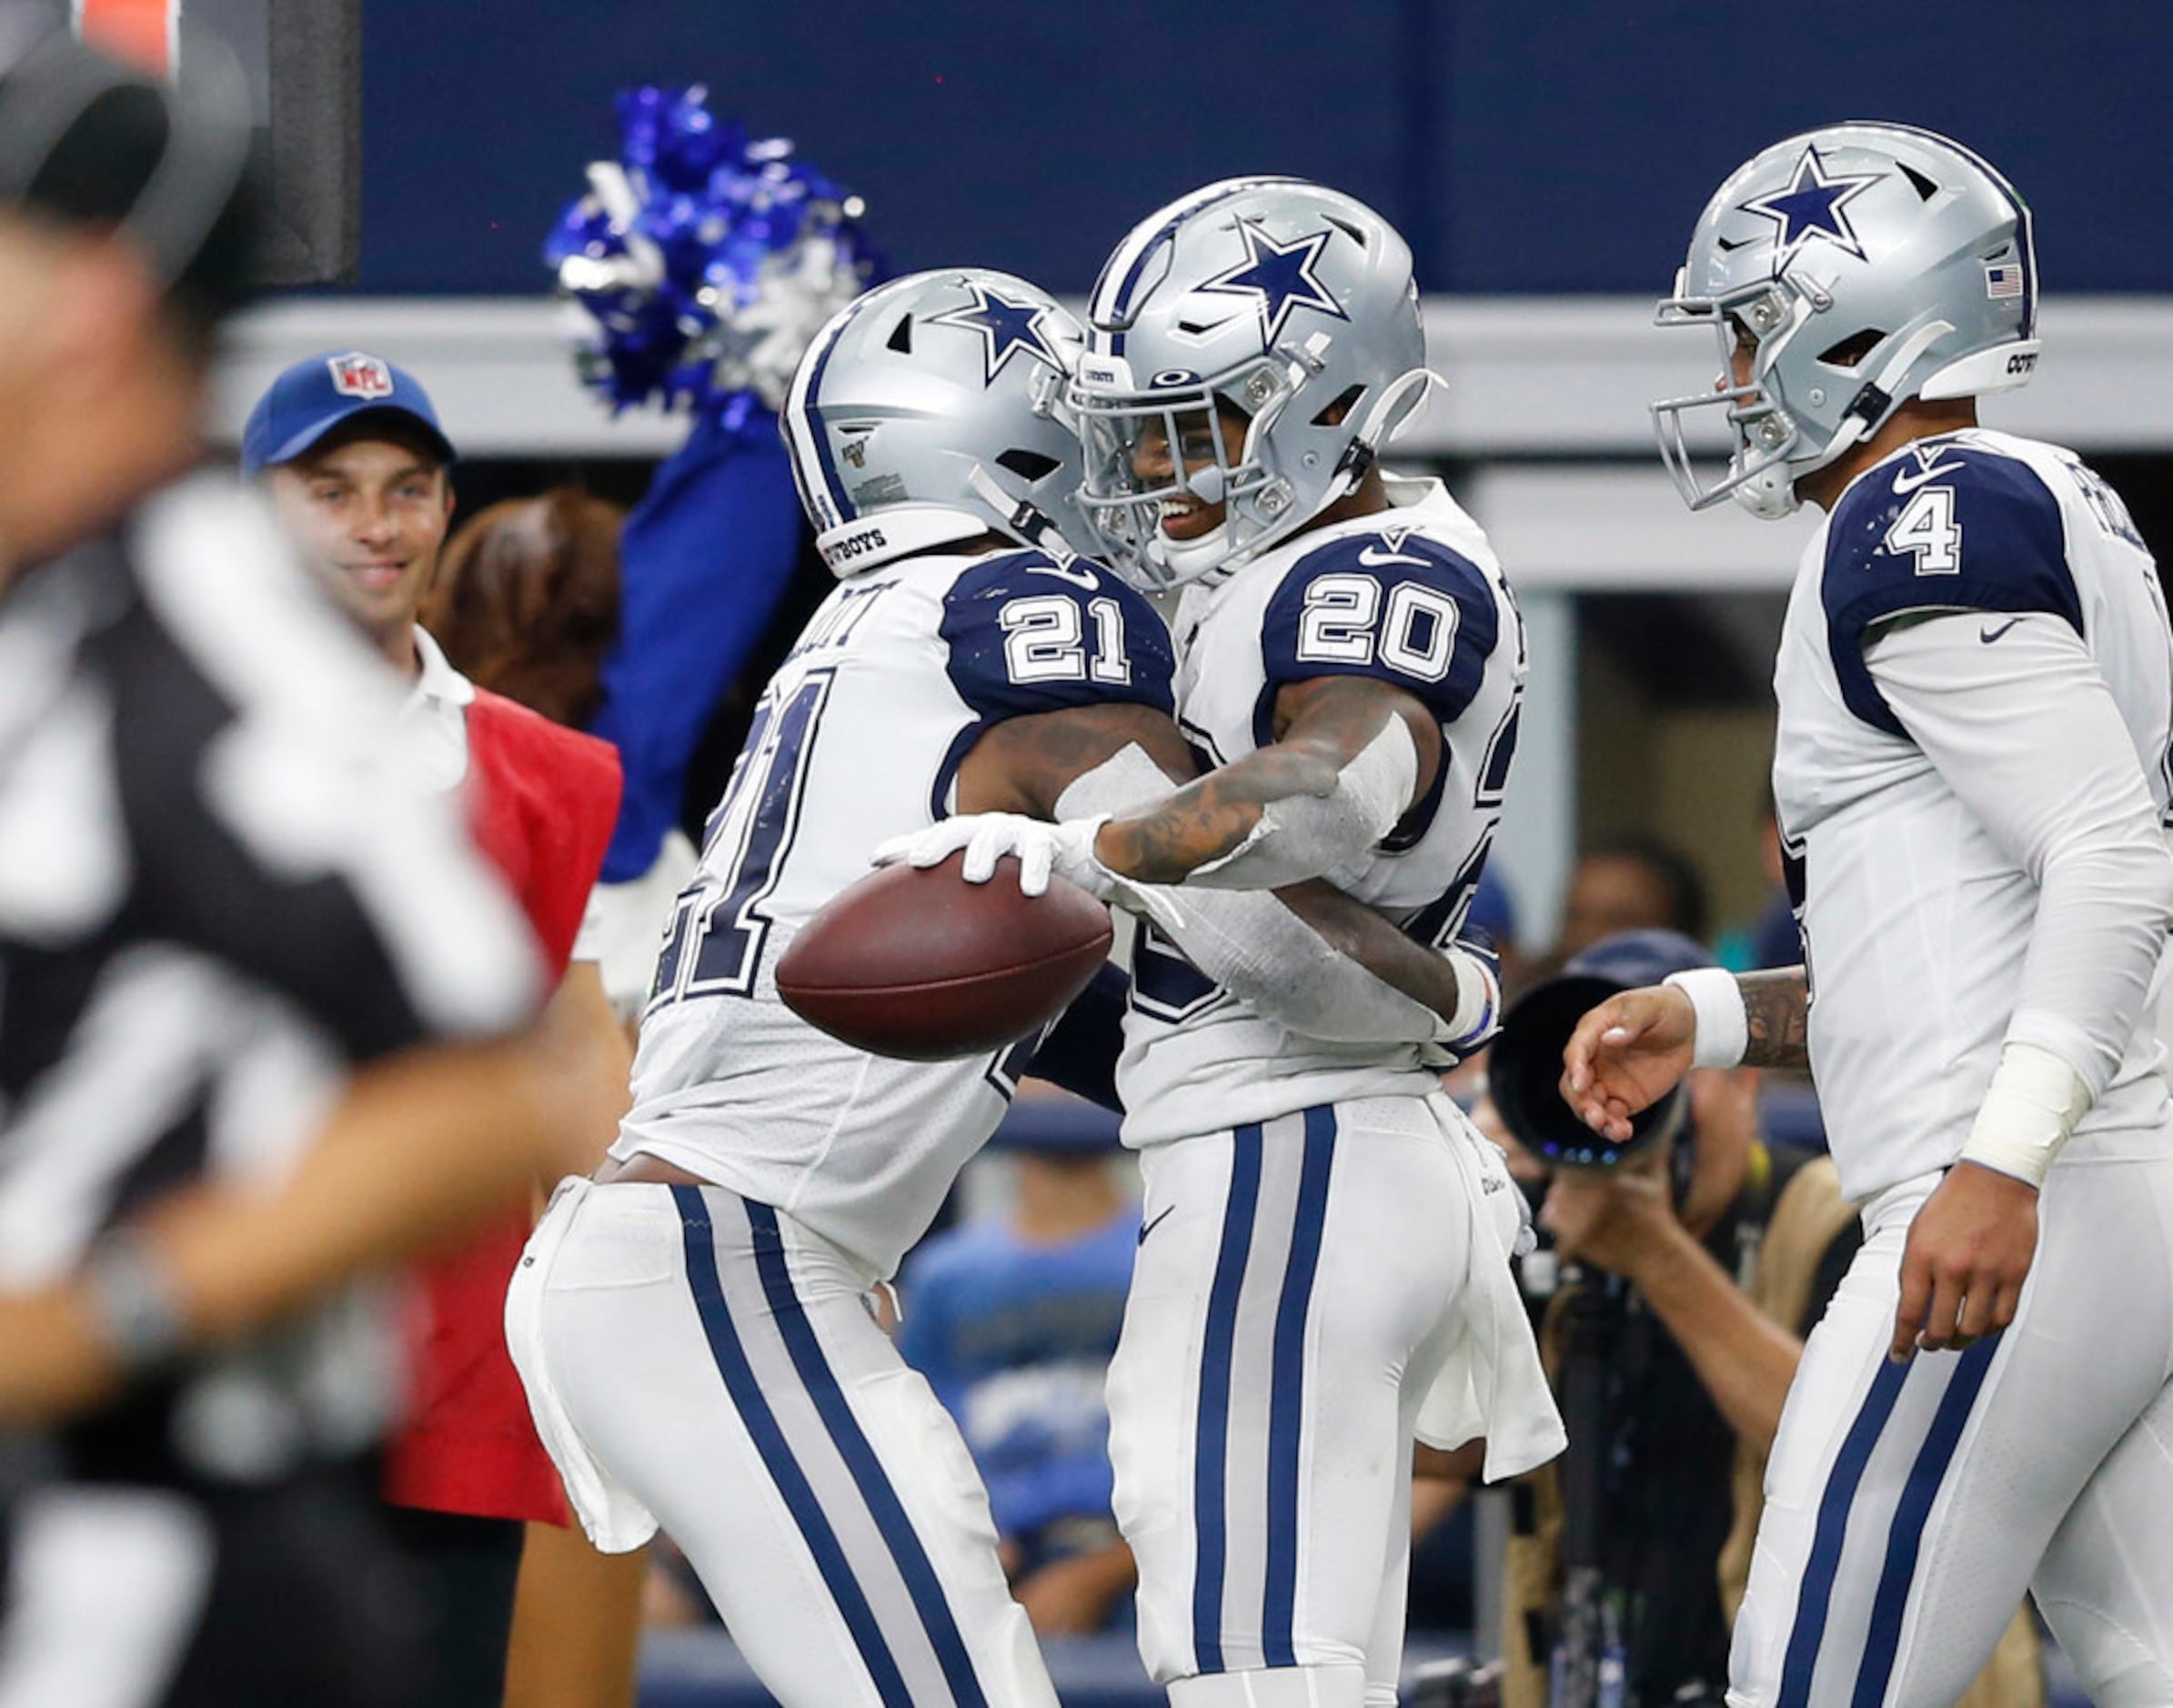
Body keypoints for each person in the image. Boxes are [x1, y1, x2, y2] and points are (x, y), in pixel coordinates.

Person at [506, 265, 1499, 1708]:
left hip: (718, 1252)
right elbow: (1262, 938)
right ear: (1009, 444)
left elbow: (1090, 983)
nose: (1139, 465)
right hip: (723, 1261)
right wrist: (1459, 999)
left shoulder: (873, 633)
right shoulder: (1021, 609)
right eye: (1101, 426)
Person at [0, 35, 610, 1708]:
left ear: (92, 304)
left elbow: (500, 1084)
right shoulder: (51, 614)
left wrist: (101, 1313)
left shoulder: (207, 638)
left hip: (147, 1555)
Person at [896, 178, 1560, 1708]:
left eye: (1191, 418)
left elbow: (1334, 779)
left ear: (1322, 402)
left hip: (1289, 1149)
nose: (1146, 461)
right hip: (1316, 1132)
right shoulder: (1304, 556)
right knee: (1301, 1650)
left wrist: (1101, 841)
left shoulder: (1370, 572)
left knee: (1249, 1655)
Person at [1565, 124, 2173, 1705]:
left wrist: (1993, 1165)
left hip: (2017, 1209)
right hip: (2102, 1191)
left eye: (1751, 325)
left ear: (1856, 321)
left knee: (1806, 1678)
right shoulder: (2045, 500)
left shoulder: (1914, 502)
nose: (1734, 367)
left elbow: (2106, 858)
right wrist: (1697, 1015)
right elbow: (1940, 940)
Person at [243, 358, 638, 1708]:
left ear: (445, 508)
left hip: (442, 1379)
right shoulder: (148, 733)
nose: (377, 522)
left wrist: (723, 1247)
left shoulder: (553, 776)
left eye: (407, 488)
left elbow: (581, 1064)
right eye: (331, 490)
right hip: (201, 1344)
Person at [1479, 930, 2037, 1707]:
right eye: (1592, 1079)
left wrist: (1656, 1256)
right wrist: (1465, 1215)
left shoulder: (1856, 1214)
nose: (1624, 1103)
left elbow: (1862, 1448)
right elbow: (1440, 1451)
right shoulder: (1559, 1237)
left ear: (1743, 1082)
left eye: (1656, 1068)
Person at [896, 1088, 1142, 1639]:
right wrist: (966, 1541)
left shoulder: (1165, 1249)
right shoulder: (947, 1272)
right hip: (989, 1548)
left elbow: (1221, 1450)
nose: (1057, 1091)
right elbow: (916, 1433)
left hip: (1135, 1557)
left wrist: (1100, 1572)